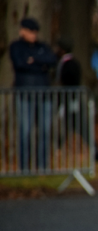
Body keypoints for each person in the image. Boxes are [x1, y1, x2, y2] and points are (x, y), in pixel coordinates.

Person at [9, 18, 57, 171]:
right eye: (30, 32)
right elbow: (19, 64)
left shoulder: (42, 47)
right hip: (25, 95)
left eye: (35, 32)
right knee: (25, 131)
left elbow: (51, 60)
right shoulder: (16, 47)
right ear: (22, 31)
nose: (33, 35)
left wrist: (33, 60)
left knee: (44, 130)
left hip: (44, 95)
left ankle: (43, 166)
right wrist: (40, 65)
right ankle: (24, 167)